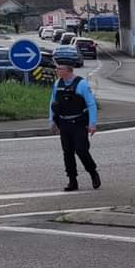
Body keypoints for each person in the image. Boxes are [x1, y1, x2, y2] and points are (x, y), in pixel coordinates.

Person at [49, 62, 101, 191]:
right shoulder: (57, 84)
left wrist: (92, 123)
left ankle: (93, 172)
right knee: (68, 153)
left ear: (69, 70)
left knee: (81, 150)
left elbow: (91, 104)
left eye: (60, 68)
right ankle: (72, 180)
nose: (57, 71)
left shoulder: (81, 84)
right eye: (57, 68)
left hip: (79, 123)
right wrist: (52, 120)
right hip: (64, 123)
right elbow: (52, 102)